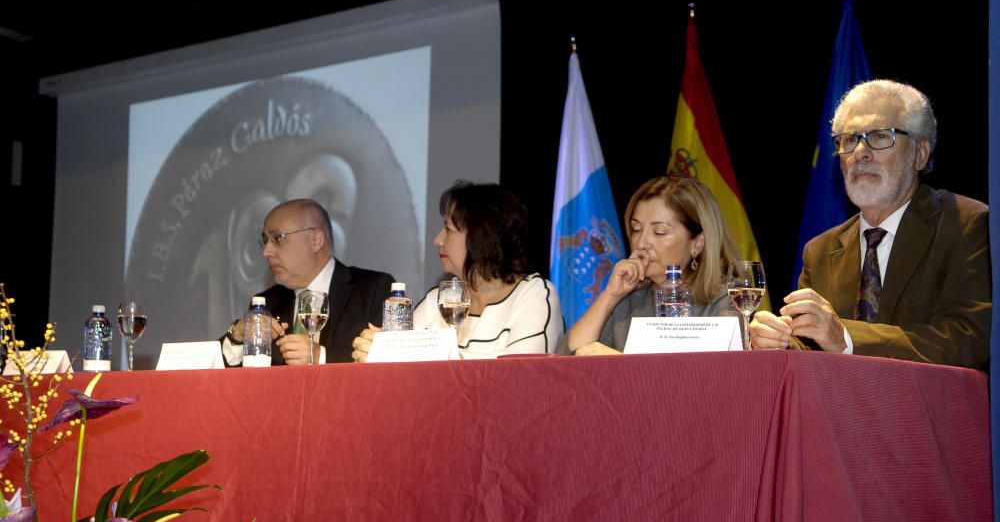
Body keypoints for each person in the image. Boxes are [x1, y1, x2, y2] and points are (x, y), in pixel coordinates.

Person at [749, 79, 991, 369]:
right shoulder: (821, 250)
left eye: (879, 136)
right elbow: (813, 349)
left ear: (920, 154)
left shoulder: (966, 224)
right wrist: (780, 343)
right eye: (849, 139)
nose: (860, 152)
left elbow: (967, 339)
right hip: (838, 413)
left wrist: (847, 338)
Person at [352, 182, 563, 360]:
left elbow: (522, 374)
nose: (437, 240)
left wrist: (414, 355)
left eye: (448, 230)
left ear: (482, 238)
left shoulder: (534, 293)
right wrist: (379, 349)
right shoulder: (439, 299)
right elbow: (401, 361)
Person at [557, 175, 741, 355]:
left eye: (659, 232)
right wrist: (610, 296)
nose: (642, 242)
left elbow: (713, 376)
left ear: (697, 243)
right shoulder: (629, 301)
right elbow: (565, 360)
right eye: (636, 229)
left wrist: (621, 365)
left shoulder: (726, 299)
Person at [222, 198, 394, 365]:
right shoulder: (267, 304)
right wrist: (236, 335)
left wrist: (321, 356)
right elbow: (222, 376)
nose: (266, 252)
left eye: (277, 238)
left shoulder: (374, 290)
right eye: (265, 241)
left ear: (316, 241)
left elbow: (394, 363)